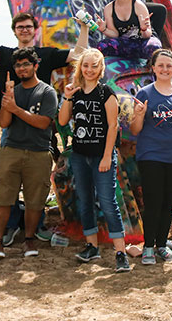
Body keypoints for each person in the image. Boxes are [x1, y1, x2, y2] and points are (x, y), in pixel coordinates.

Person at [0, 4, 88, 245]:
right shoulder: (3, 54)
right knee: (9, 176)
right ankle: (12, 225)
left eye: (28, 27)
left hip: (41, 124)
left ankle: (38, 224)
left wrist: (84, 27)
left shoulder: (45, 53)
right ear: (14, 31)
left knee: (39, 177)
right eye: (20, 27)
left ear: (34, 30)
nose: (24, 30)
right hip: (11, 124)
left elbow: (78, 54)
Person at [57, 48, 130, 272]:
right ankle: (92, 247)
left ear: (100, 69)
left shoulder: (106, 93)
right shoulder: (75, 92)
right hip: (80, 155)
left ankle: (121, 253)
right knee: (85, 201)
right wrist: (68, 97)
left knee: (108, 202)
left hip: (101, 156)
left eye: (94, 66)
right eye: (85, 65)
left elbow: (112, 126)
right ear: (80, 68)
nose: (89, 70)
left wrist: (107, 155)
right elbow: (62, 120)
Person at [0, 48, 58, 259]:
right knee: (3, 199)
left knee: (34, 201)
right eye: (18, 65)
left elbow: (43, 123)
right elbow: (3, 122)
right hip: (11, 150)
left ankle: (30, 240)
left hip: (38, 152)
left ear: (35, 66)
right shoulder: (13, 93)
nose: (22, 69)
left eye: (26, 64)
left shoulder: (47, 92)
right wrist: (8, 102)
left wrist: (17, 109)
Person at [129, 49, 172, 265]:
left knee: (167, 203)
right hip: (151, 155)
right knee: (153, 201)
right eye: (161, 65)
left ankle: (161, 245)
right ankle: (148, 247)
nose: (165, 69)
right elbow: (136, 130)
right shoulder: (145, 94)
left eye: (169, 66)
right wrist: (138, 116)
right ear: (154, 68)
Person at [95, 0, 162, 60]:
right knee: (102, 46)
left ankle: (149, 71)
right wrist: (104, 29)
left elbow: (147, 35)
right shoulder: (109, 8)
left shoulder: (138, 5)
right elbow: (115, 34)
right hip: (124, 43)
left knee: (154, 46)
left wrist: (144, 29)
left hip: (142, 42)